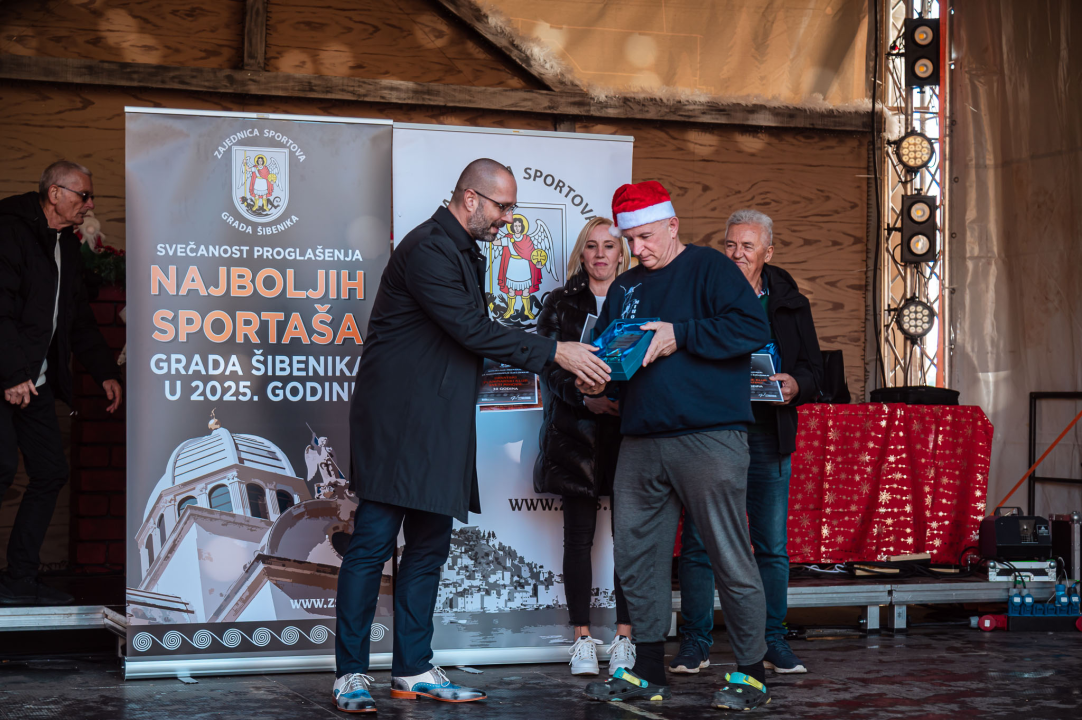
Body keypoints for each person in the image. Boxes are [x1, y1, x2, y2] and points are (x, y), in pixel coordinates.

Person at [332, 158, 611, 713]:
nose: (507, 219)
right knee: (372, 545)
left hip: (439, 423)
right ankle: (350, 675)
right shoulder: (429, 248)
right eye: (502, 207)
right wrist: (556, 351)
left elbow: (466, 337)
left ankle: (413, 668)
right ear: (470, 199)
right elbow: (471, 329)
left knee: (429, 548)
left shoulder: (462, 250)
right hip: (398, 424)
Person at [579, 182, 775, 711]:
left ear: (672, 225)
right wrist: (595, 376)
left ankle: (752, 674)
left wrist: (679, 334)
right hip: (640, 439)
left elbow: (751, 328)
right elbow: (614, 353)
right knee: (637, 558)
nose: (636, 249)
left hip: (709, 436)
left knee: (728, 554)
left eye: (645, 237)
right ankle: (646, 671)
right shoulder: (625, 286)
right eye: (629, 240)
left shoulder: (710, 267)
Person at [672, 209, 823, 676]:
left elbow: (814, 371)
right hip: (711, 439)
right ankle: (695, 643)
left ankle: (772, 641)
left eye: (748, 246)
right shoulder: (701, 295)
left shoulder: (791, 303)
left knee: (770, 547)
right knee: (699, 544)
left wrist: (796, 385)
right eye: (730, 245)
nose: (737, 254)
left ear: (768, 253)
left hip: (768, 438)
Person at [0, 161, 123, 606]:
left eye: (91, 197)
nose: (89, 204)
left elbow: (79, 321)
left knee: (50, 471)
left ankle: (20, 581)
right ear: (54, 193)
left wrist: (106, 372)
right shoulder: (9, 231)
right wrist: (13, 373)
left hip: (32, 384)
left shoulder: (66, 245)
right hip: (7, 377)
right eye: (83, 195)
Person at [534, 217, 635, 677]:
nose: (600, 254)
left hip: (629, 433)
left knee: (629, 541)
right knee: (578, 539)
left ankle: (625, 639)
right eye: (592, 246)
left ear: (621, 253)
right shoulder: (560, 302)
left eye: (609, 246)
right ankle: (581, 640)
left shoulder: (638, 300)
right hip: (574, 436)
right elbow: (547, 366)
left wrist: (623, 401)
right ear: (581, 253)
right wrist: (585, 398)